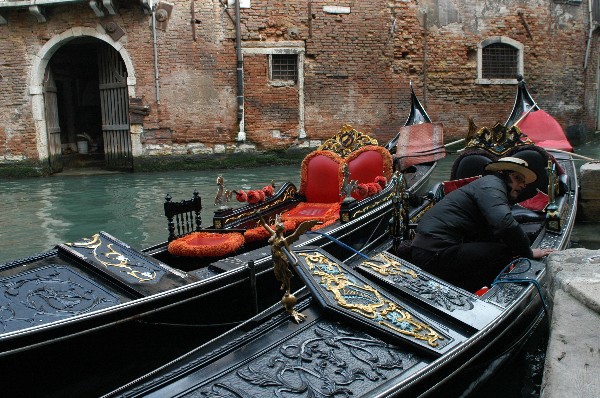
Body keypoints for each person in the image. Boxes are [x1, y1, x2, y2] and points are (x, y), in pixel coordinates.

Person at [410, 156, 556, 292]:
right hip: (435, 253)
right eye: (517, 178)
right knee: (503, 252)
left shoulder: (489, 186)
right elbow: (504, 223)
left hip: (434, 249)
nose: (522, 185)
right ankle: (481, 295)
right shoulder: (491, 184)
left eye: (523, 182)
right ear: (502, 174)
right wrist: (527, 252)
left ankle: (469, 289)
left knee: (500, 246)